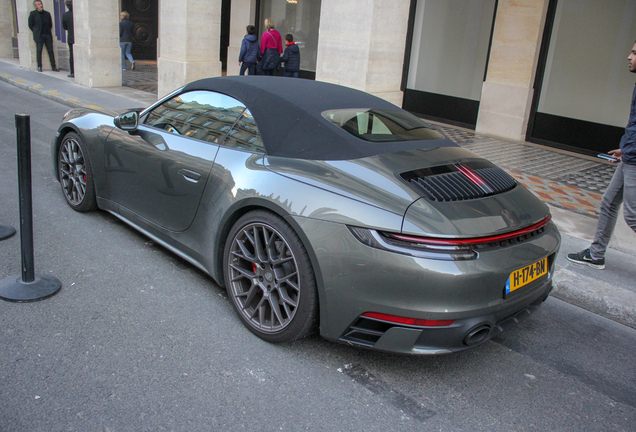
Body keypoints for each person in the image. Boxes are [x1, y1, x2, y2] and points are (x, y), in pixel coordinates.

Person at [567, 40, 636, 269]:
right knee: (608, 201)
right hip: (631, 154)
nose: (629, 56)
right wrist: (625, 149)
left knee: (633, 216)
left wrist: (630, 151)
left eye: (635, 52)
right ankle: (596, 255)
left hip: (635, 159)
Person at [28, 0, 59, 72]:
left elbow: (50, 24)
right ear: (36, 6)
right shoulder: (33, 14)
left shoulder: (47, 14)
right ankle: (39, 66)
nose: (41, 5)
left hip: (47, 34)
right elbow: (30, 24)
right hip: (39, 35)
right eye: (38, 4)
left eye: (41, 4)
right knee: (39, 50)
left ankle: (53, 66)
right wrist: (36, 31)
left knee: (50, 50)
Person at [62, 0, 74, 78]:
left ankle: (72, 71)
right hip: (78, 37)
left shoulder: (65, 15)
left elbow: (64, 27)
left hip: (71, 37)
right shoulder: (77, 14)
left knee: (71, 55)